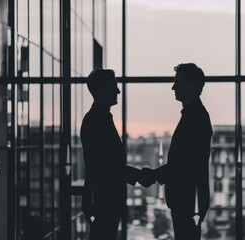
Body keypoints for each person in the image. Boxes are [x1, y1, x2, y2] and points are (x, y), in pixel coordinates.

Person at [142, 63, 213, 240]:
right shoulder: (195, 115)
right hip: (189, 197)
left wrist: (152, 175)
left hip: (187, 197)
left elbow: (185, 164)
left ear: (191, 85)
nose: (173, 87)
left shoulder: (195, 118)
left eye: (177, 82)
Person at [80, 69, 147, 239]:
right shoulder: (97, 121)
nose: (118, 91)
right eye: (114, 87)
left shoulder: (98, 118)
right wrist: (140, 175)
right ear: (103, 90)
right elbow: (106, 167)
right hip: (104, 201)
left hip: (104, 200)